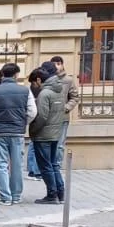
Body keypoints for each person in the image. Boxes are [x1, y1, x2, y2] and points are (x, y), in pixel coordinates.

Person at [0, 63, 37, 205]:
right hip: (17, 132)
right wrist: (22, 123)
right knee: (17, 164)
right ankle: (16, 195)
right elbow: (32, 112)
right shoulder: (25, 91)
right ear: (16, 75)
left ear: (2, 74)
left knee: (1, 164)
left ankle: (5, 197)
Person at [30, 67, 68, 204]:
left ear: (38, 80)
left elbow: (42, 116)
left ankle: (52, 195)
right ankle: (60, 193)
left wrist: (33, 130)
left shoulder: (44, 94)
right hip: (55, 133)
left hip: (43, 134)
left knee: (45, 166)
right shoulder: (59, 90)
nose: (34, 86)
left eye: (34, 83)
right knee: (53, 164)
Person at [47, 54, 80, 171]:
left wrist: (66, 107)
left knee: (60, 144)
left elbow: (74, 97)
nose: (57, 66)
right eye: (54, 64)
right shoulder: (48, 79)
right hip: (49, 117)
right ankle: (48, 166)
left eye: (59, 64)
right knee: (48, 143)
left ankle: (57, 167)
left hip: (62, 117)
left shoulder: (68, 80)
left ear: (62, 65)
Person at [26, 69, 44, 177]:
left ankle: (32, 170)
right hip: (38, 120)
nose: (33, 85)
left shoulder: (40, 89)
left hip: (35, 119)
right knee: (35, 144)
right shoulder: (41, 89)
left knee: (33, 144)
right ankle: (35, 171)